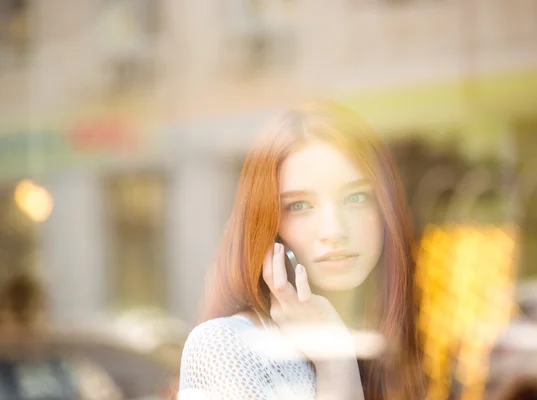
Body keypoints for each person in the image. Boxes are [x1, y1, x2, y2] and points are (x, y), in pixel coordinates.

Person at [178, 101, 426, 399]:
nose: (334, 230)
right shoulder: (227, 348)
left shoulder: (393, 344)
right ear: (268, 228)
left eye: (356, 197)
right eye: (299, 206)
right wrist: (335, 362)